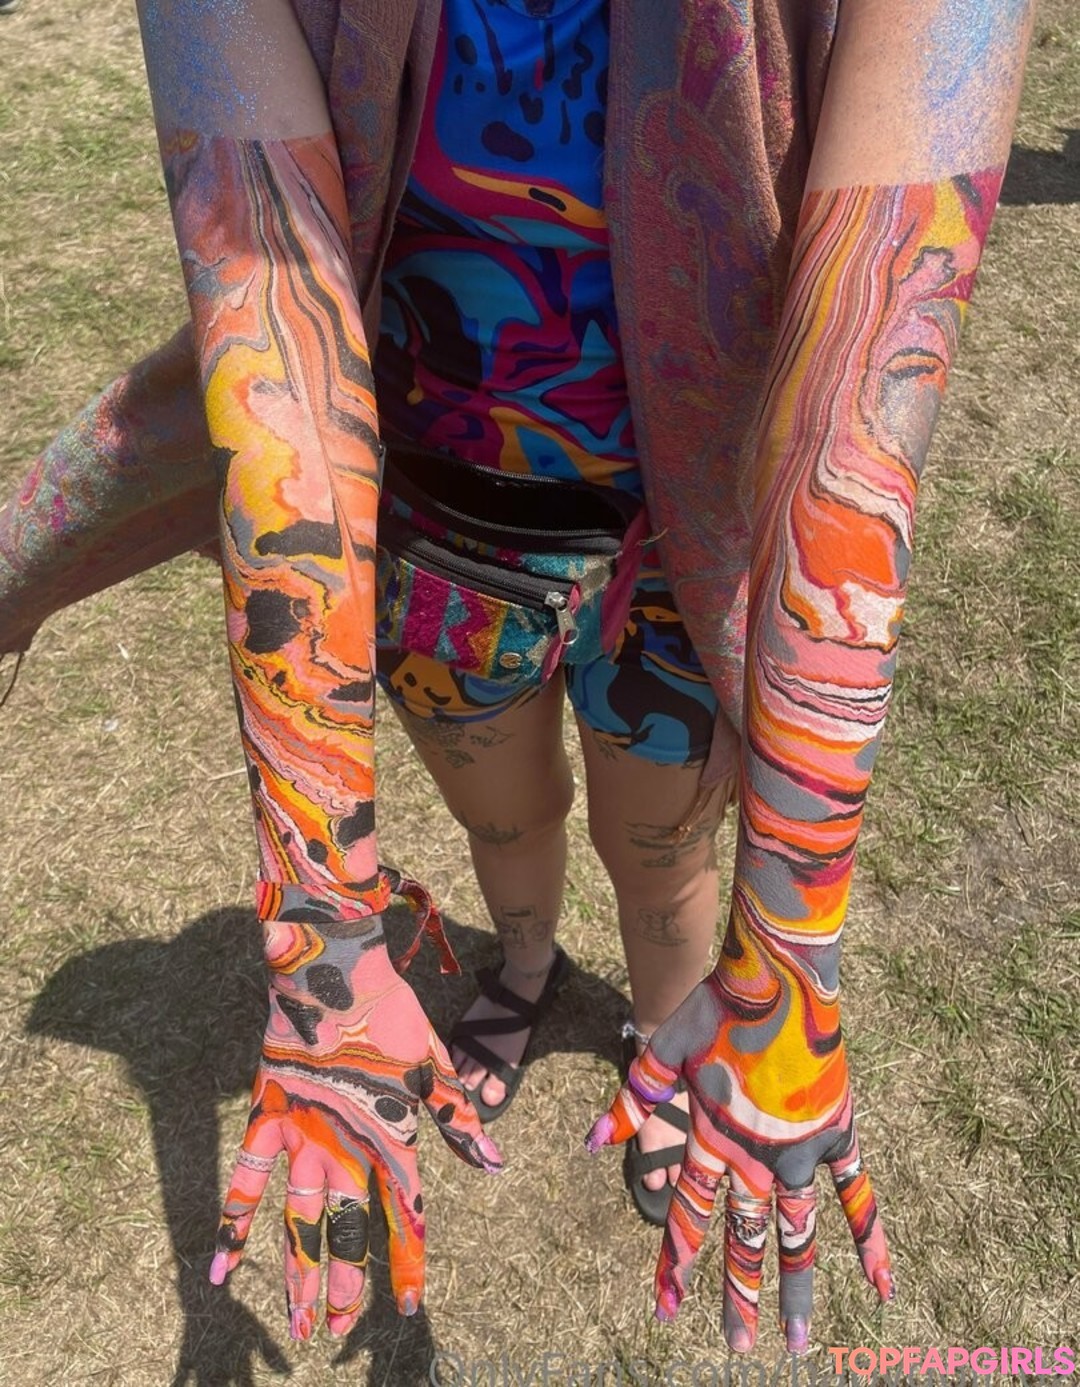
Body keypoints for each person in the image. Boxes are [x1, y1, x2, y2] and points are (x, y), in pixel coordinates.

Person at [0, 0, 1033, 1357]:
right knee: (504, 823)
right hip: (443, 532)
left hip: (687, 547)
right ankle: (528, 964)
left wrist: (783, 967)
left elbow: (860, 416)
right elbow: (273, 336)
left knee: (661, 857)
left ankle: (663, 1023)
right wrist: (324, 934)